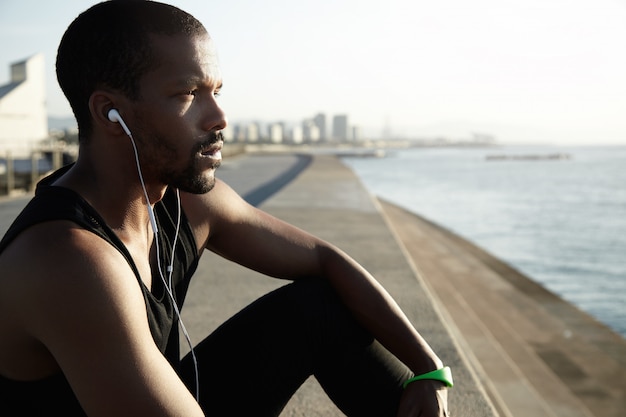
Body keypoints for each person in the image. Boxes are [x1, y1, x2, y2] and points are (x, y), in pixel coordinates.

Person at [0, 1, 451, 416]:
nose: (219, 117)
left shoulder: (184, 204)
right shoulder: (66, 258)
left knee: (319, 308)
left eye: (216, 90)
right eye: (188, 94)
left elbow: (323, 260)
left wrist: (429, 369)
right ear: (110, 113)